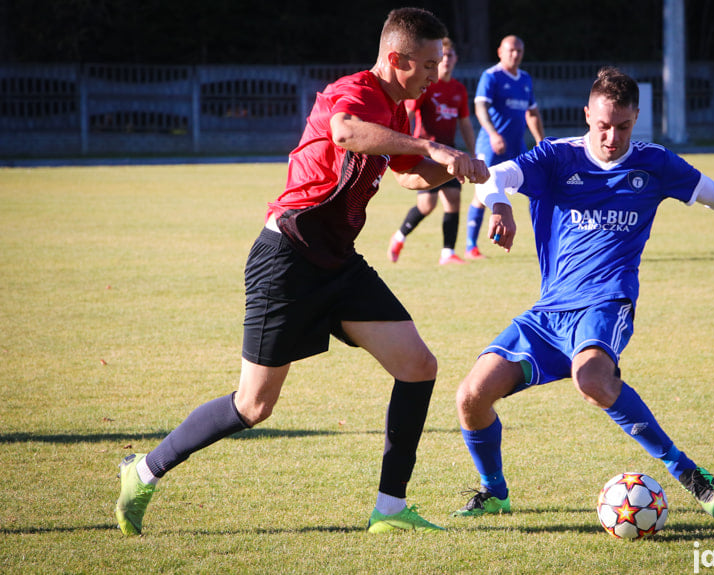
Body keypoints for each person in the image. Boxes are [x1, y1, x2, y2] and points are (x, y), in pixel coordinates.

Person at [114, 7, 488, 536]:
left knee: (418, 365)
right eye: (428, 64)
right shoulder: (356, 92)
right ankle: (143, 470)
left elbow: (406, 174)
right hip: (287, 256)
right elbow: (346, 134)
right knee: (253, 405)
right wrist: (434, 146)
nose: (435, 73)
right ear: (396, 58)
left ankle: (389, 509)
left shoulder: (401, 109)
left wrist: (455, 168)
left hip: (338, 262)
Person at [451, 66, 714, 521]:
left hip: (605, 304)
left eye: (622, 127)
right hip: (548, 314)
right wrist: (501, 204)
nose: (611, 138)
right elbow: (490, 177)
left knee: (593, 382)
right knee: (471, 396)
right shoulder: (556, 158)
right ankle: (494, 491)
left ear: (636, 118)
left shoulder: (654, 163)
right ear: (587, 115)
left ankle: (688, 472)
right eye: (602, 126)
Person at [388, 37, 476, 265]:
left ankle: (447, 253)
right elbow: (407, 114)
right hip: (427, 151)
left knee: (454, 199)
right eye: (442, 57)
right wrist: (403, 143)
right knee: (427, 206)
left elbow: (465, 123)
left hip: (450, 150)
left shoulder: (458, 89)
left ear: (455, 59)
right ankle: (399, 237)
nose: (446, 61)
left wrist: (473, 152)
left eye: (450, 56)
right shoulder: (427, 86)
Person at [463, 35, 544, 260]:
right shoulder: (491, 76)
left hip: (516, 146)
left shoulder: (525, 79)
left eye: (519, 50)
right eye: (511, 50)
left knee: (536, 189)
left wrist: (540, 140)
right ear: (500, 51)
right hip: (491, 146)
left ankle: (544, 241)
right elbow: (480, 107)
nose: (515, 54)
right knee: (483, 193)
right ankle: (471, 246)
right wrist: (493, 134)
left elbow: (532, 112)